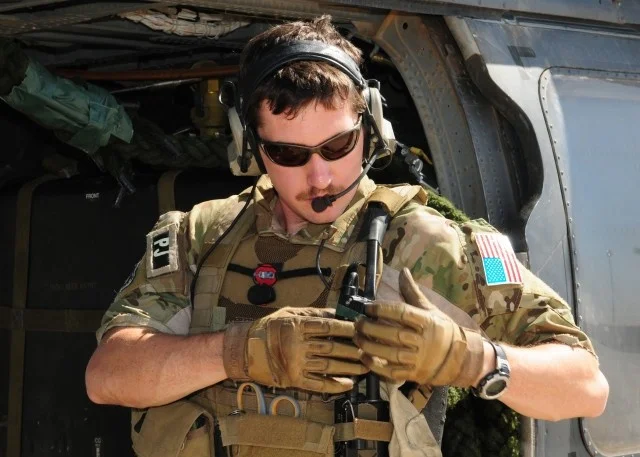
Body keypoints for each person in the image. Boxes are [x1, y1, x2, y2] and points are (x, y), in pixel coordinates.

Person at [85, 15, 608, 457]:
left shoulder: (429, 243)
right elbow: (108, 376)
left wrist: (474, 360)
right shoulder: (201, 235)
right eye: (289, 154)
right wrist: (236, 351)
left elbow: (585, 386)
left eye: (338, 146)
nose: (320, 177)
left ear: (371, 127)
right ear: (250, 146)